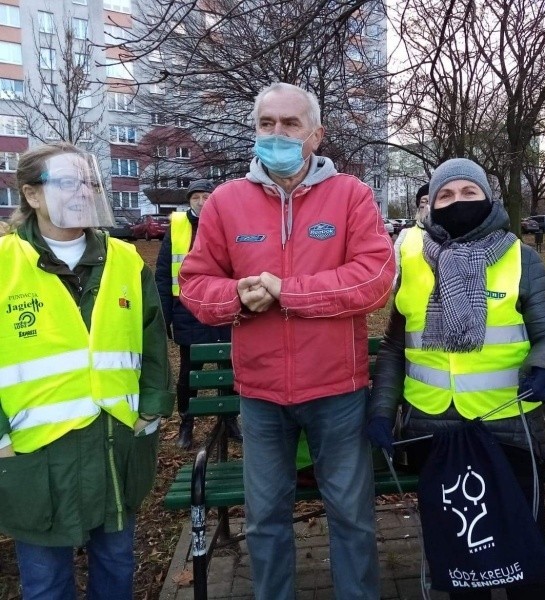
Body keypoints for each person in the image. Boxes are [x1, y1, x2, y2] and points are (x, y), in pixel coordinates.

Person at [178, 82, 394, 599]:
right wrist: (236, 296)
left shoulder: (351, 196)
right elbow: (194, 283)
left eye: (290, 124)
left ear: (315, 135)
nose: (277, 133)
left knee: (352, 519)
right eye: (266, 123)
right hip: (260, 394)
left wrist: (288, 292)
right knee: (265, 521)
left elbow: (376, 279)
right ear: (255, 131)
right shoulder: (227, 201)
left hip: (338, 392)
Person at [368, 158, 545, 600]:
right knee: (463, 560)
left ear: (487, 198)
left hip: (509, 428)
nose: (456, 202)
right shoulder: (412, 258)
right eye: (445, 195)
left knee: (525, 552)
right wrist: (381, 413)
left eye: (468, 193)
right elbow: (394, 349)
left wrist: (544, 366)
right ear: (432, 204)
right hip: (433, 430)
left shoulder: (522, 258)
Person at [0, 142, 172, 598]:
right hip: (35, 455)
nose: (83, 192)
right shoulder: (3, 265)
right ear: (32, 195)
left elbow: (152, 341)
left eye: (90, 181)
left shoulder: (124, 259)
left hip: (115, 443)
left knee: (116, 566)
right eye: (68, 181)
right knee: (45, 582)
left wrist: (152, 409)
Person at [155, 179, 235, 449]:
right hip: (188, 311)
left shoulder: (228, 224)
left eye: (207, 197)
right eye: (196, 197)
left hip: (223, 308)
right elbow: (164, 275)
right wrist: (164, 317)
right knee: (190, 373)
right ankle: (186, 424)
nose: (202, 202)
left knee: (230, 368)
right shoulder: (177, 227)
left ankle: (230, 421)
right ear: (189, 200)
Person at [392, 183, 429, 286]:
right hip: (407, 300)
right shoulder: (406, 234)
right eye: (424, 202)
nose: (428, 207)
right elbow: (395, 270)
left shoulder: (449, 236)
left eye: (432, 201)